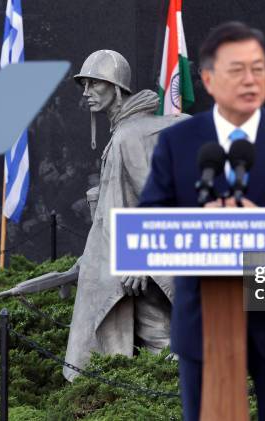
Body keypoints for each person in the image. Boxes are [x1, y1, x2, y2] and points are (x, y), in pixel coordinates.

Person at [139, 22, 265, 421]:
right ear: (208, 79)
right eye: (235, 69)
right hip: (204, 322)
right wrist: (197, 224)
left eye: (257, 68)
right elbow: (148, 226)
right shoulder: (178, 142)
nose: (249, 80)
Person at [63, 50, 189, 382]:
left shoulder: (129, 135)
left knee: (163, 346)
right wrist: (89, 257)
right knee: (161, 344)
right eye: (84, 85)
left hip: (136, 268)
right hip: (125, 261)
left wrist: (140, 259)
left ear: (117, 89)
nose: (87, 92)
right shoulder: (127, 132)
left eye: (96, 84)